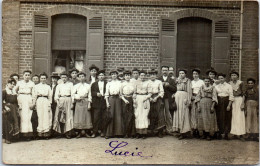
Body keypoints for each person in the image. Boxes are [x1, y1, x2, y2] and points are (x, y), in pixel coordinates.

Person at [53, 71, 74, 139]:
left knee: (68, 116)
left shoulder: (70, 84)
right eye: (62, 77)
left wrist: (72, 103)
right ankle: (59, 132)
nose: (64, 78)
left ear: (67, 78)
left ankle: (68, 132)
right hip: (61, 100)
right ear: (61, 78)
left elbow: (72, 94)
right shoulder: (59, 85)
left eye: (65, 77)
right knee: (59, 115)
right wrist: (58, 102)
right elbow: (56, 95)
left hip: (68, 100)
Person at [172, 69, 192, 140]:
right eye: (180, 73)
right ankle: (179, 130)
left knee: (184, 114)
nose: (181, 74)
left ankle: (184, 132)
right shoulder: (177, 80)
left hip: (184, 97)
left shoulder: (188, 81)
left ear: (185, 74)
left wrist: (188, 99)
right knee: (178, 113)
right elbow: (176, 89)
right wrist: (174, 94)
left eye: (183, 73)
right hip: (177, 98)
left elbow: (189, 91)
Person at [15, 70, 35, 140]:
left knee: (28, 117)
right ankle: (21, 133)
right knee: (22, 116)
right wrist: (17, 98)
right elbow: (14, 91)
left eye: (28, 75)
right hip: (21, 99)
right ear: (23, 76)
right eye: (25, 75)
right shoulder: (19, 83)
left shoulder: (32, 84)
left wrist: (33, 103)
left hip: (28, 98)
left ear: (30, 76)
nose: (27, 76)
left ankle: (28, 134)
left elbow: (34, 94)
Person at [32, 73, 52, 139]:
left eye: (44, 78)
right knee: (40, 116)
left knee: (46, 116)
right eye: (41, 78)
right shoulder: (36, 86)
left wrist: (49, 104)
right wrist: (34, 104)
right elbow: (34, 96)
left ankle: (46, 133)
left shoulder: (48, 87)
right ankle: (40, 133)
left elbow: (50, 96)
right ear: (39, 79)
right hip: (39, 101)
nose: (43, 79)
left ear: (46, 79)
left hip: (45, 101)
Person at [72, 72, 93, 138]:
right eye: (80, 76)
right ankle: (79, 132)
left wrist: (89, 104)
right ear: (78, 78)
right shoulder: (76, 86)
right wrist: (77, 97)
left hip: (86, 101)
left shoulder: (88, 85)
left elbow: (90, 95)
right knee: (79, 117)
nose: (81, 78)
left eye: (83, 76)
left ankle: (86, 132)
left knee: (86, 117)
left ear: (85, 77)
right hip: (79, 102)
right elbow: (73, 94)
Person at [105, 70, 124, 139]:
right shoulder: (108, 83)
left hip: (118, 99)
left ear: (117, 75)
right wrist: (107, 102)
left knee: (118, 115)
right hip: (111, 99)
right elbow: (106, 94)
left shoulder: (120, 83)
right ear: (111, 75)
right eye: (112, 74)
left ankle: (118, 133)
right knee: (111, 115)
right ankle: (109, 133)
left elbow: (121, 94)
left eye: (115, 74)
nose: (114, 75)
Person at [158, 66, 177, 134]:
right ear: (161, 71)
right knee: (160, 114)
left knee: (168, 114)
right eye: (163, 70)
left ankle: (169, 129)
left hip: (167, 99)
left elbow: (175, 89)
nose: (165, 72)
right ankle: (161, 129)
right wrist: (161, 84)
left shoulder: (171, 80)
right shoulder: (158, 79)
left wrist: (168, 85)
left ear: (168, 71)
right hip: (160, 99)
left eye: (166, 70)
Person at [215, 73, 234, 140]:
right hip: (219, 102)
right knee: (219, 117)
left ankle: (226, 133)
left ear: (225, 79)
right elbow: (215, 95)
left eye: (222, 78)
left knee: (227, 117)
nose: (221, 80)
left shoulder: (229, 86)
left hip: (226, 101)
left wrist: (229, 105)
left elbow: (231, 96)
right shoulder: (216, 86)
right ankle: (220, 133)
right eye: (219, 78)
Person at [134, 70, 152, 139]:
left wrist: (146, 97)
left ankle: (144, 133)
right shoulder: (136, 83)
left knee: (144, 115)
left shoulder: (148, 83)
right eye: (141, 75)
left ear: (146, 76)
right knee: (138, 115)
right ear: (139, 76)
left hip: (145, 99)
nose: (142, 77)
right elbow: (134, 92)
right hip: (138, 99)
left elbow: (150, 93)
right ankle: (138, 132)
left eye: (144, 75)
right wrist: (134, 100)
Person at [147, 69, 165, 138]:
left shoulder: (159, 82)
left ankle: (160, 131)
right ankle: (152, 131)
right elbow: (146, 91)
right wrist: (150, 98)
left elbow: (161, 91)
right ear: (149, 75)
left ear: (156, 75)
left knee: (159, 114)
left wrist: (156, 98)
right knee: (151, 114)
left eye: (154, 74)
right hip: (150, 98)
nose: (152, 76)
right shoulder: (148, 82)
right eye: (151, 75)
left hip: (158, 98)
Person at [229, 70, 246, 141]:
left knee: (240, 117)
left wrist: (242, 103)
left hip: (239, 100)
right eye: (232, 75)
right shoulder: (229, 83)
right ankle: (234, 133)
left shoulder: (241, 83)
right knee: (233, 117)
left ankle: (241, 134)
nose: (233, 77)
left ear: (237, 76)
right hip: (232, 101)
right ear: (230, 77)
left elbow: (244, 94)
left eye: (235, 75)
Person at [2, 79, 20, 144]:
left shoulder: (14, 92)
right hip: (8, 109)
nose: (12, 85)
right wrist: (5, 107)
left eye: (13, 84)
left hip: (14, 109)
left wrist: (17, 107)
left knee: (14, 122)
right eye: (11, 84)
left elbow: (16, 102)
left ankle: (13, 138)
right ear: (8, 83)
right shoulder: (4, 91)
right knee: (8, 123)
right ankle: (7, 139)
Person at [91, 70, 107, 138]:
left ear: (104, 76)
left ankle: (103, 132)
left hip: (104, 101)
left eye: (102, 75)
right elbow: (91, 92)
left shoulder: (107, 83)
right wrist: (96, 94)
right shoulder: (94, 84)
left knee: (103, 117)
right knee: (96, 118)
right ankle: (95, 132)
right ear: (97, 76)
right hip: (96, 102)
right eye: (100, 75)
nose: (101, 76)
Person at [120, 70, 136, 138]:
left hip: (131, 99)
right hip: (124, 100)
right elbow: (120, 94)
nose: (127, 77)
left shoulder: (133, 84)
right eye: (126, 75)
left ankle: (131, 133)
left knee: (131, 116)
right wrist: (125, 100)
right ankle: (125, 133)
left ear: (130, 76)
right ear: (124, 76)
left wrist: (134, 99)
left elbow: (135, 92)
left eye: (128, 75)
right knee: (125, 116)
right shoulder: (122, 84)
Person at [190, 68, 205, 138]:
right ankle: (194, 129)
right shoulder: (191, 82)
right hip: (193, 99)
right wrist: (191, 97)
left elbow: (203, 91)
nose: (195, 75)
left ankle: (200, 131)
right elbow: (189, 91)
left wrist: (199, 98)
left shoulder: (202, 82)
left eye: (196, 74)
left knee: (199, 114)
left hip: (200, 99)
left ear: (199, 75)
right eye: (193, 74)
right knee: (193, 114)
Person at [50, 72, 60, 137]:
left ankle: (56, 132)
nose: (54, 80)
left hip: (56, 103)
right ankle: (50, 132)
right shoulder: (48, 86)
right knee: (50, 117)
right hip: (49, 104)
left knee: (56, 117)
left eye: (55, 79)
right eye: (53, 78)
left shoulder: (58, 86)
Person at [31, 74, 40, 139]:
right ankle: (32, 134)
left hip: (38, 104)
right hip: (30, 104)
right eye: (34, 79)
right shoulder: (30, 86)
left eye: (36, 79)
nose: (35, 80)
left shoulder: (39, 87)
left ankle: (36, 134)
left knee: (37, 119)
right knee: (31, 119)